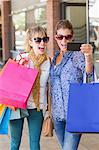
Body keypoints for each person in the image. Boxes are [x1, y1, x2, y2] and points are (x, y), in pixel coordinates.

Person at [50, 20, 93, 150]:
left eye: (67, 37)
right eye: (60, 37)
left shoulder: (78, 56)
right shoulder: (55, 57)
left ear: (72, 37)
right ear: (55, 37)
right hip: (57, 115)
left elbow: (89, 72)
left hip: (75, 114)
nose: (64, 41)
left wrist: (88, 56)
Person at [9, 26, 50, 150]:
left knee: (34, 143)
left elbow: (49, 87)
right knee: (15, 144)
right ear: (30, 42)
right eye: (38, 40)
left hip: (37, 107)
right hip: (18, 106)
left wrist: (48, 109)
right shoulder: (22, 58)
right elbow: (10, 83)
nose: (42, 43)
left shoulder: (48, 62)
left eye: (45, 39)